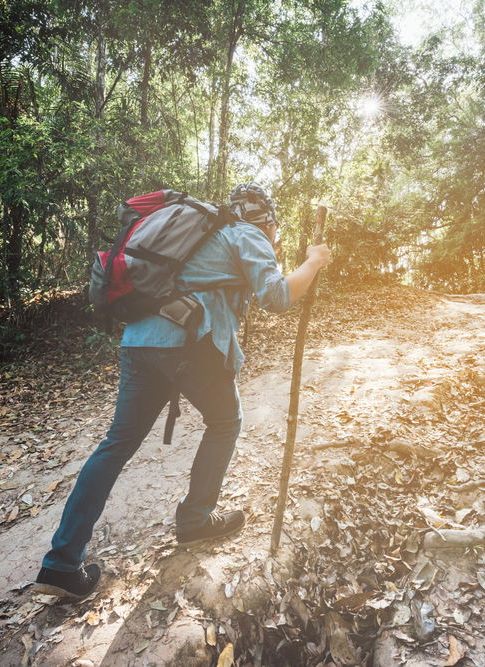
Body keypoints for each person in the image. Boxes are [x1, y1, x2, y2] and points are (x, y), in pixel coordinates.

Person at [34, 182, 331, 599]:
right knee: (226, 422)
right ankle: (194, 520)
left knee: (116, 444)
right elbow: (277, 296)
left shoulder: (205, 233)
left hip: (139, 341)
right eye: (275, 228)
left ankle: (60, 564)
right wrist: (314, 262)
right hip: (190, 343)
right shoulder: (246, 232)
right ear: (268, 219)